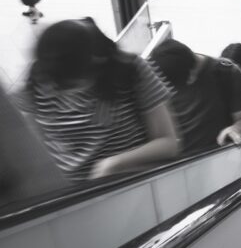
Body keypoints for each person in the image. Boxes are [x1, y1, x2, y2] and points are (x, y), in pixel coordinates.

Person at [15, 18, 180, 182]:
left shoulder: (130, 70)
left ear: (96, 62)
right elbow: (37, 153)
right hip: (71, 194)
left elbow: (168, 143)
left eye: (72, 83)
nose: (58, 91)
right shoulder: (38, 80)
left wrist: (113, 164)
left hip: (128, 183)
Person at [150, 39, 241, 155]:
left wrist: (234, 129)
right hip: (176, 166)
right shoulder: (162, 78)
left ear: (191, 75)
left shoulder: (227, 73)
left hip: (220, 159)